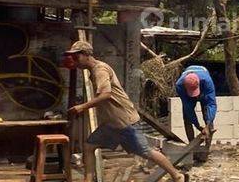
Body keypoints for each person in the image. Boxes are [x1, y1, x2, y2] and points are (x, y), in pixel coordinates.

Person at [65, 41, 185, 182]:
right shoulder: (95, 70)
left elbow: (106, 94)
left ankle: (177, 176)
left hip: (124, 121)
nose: (75, 61)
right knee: (89, 146)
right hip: (111, 124)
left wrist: (82, 107)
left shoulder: (100, 70)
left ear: (86, 55)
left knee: (146, 152)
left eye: (76, 57)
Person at [175, 65, 216, 161]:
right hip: (186, 92)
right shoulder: (180, 86)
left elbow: (211, 104)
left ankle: (206, 150)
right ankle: (193, 149)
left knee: (207, 115)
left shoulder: (207, 82)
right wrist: (197, 125)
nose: (195, 96)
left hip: (203, 88)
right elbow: (188, 108)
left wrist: (207, 124)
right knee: (187, 117)